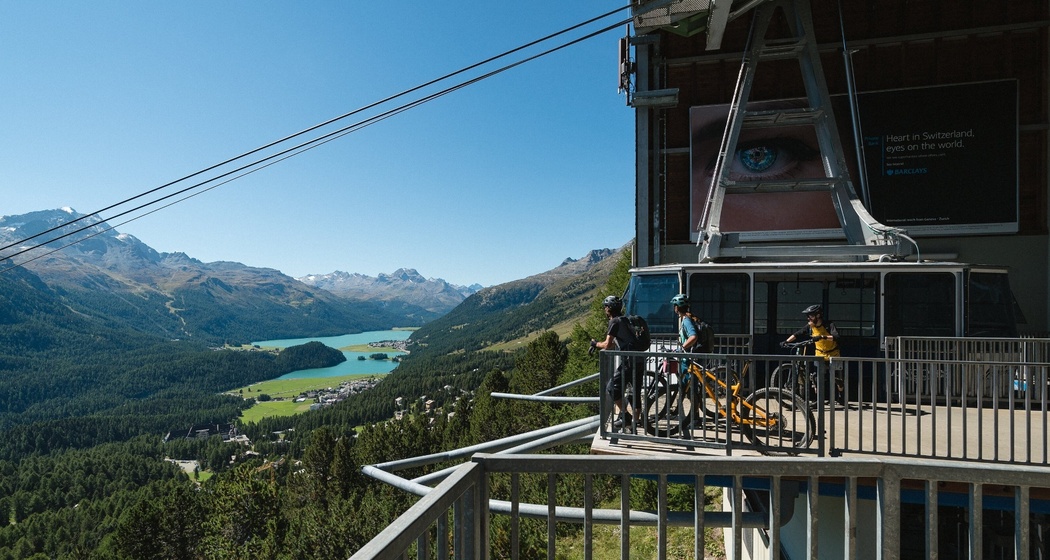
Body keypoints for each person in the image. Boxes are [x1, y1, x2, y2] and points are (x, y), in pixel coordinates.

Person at [591, 295, 641, 431]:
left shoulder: (614, 322)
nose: (604, 309)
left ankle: (625, 416)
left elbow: (608, 345)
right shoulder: (625, 319)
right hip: (639, 359)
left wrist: (595, 344)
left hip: (629, 360)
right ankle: (634, 425)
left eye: (606, 306)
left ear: (610, 308)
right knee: (635, 393)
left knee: (611, 387)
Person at [784, 304, 844, 403]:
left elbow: (837, 337)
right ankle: (818, 400)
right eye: (808, 316)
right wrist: (786, 341)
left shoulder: (829, 324)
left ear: (818, 315)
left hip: (833, 354)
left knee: (837, 379)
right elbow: (798, 333)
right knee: (817, 379)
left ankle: (841, 394)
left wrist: (822, 337)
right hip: (820, 355)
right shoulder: (810, 325)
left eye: (811, 316)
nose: (809, 318)